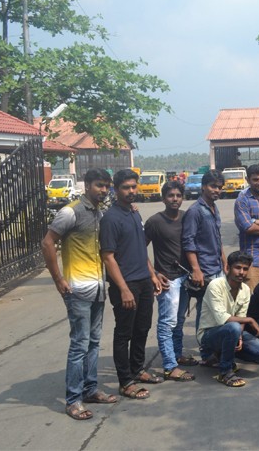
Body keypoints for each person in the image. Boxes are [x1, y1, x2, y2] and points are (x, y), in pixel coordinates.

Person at [42, 168, 117, 420]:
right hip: (76, 289)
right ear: (87, 185)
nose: (103, 190)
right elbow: (47, 242)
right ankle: (73, 400)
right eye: (99, 185)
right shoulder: (70, 212)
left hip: (97, 289)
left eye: (106, 186)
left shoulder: (101, 212)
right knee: (79, 345)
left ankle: (90, 389)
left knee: (94, 343)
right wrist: (58, 279)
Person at [100, 169, 163, 400]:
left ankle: (138, 370)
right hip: (125, 285)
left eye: (133, 187)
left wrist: (153, 275)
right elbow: (108, 257)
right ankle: (125, 381)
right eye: (126, 187)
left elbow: (140, 248)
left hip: (144, 281)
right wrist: (124, 288)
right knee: (124, 333)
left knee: (142, 327)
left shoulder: (134, 214)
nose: (131, 191)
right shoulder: (111, 219)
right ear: (116, 190)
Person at [144, 181, 196, 383]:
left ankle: (177, 354)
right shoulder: (155, 222)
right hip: (168, 280)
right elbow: (141, 249)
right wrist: (154, 274)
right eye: (170, 195)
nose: (175, 199)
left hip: (185, 278)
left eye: (178, 195)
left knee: (180, 321)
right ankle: (169, 366)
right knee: (167, 323)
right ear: (163, 198)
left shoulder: (186, 217)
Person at [198, 252, 259, 387]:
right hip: (209, 335)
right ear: (228, 268)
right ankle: (225, 372)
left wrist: (239, 338)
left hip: (232, 331)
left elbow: (241, 317)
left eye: (245, 269)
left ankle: (223, 355)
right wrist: (249, 320)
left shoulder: (245, 290)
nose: (241, 272)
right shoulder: (216, 285)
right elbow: (222, 318)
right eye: (237, 268)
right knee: (234, 327)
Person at [182, 169, 227, 333]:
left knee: (218, 310)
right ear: (203, 187)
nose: (216, 190)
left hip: (217, 268)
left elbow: (217, 237)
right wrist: (196, 270)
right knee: (204, 312)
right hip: (205, 270)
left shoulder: (214, 208)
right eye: (213, 186)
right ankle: (204, 348)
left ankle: (214, 347)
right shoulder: (195, 211)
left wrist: (224, 261)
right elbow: (188, 241)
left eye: (219, 187)